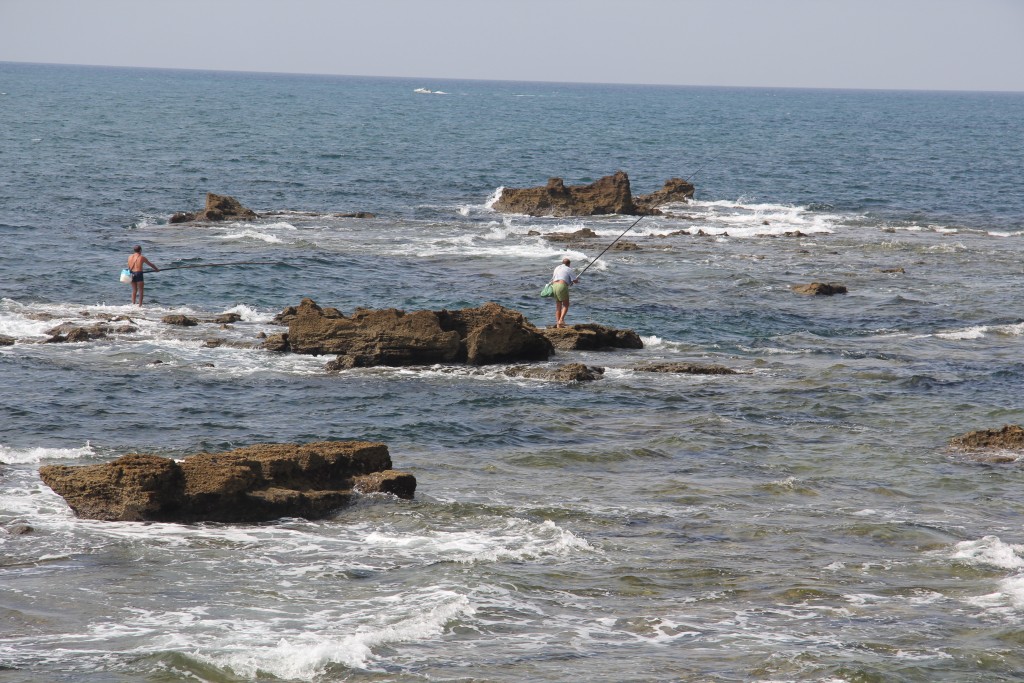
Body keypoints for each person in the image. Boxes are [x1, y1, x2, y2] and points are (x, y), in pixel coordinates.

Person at [551, 257, 579, 328]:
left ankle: (558, 324)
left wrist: (570, 281)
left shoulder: (557, 268)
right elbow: (575, 281)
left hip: (554, 286)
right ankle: (561, 320)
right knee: (566, 305)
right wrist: (576, 280)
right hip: (562, 286)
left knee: (558, 306)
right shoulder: (568, 269)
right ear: (569, 264)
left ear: (562, 263)